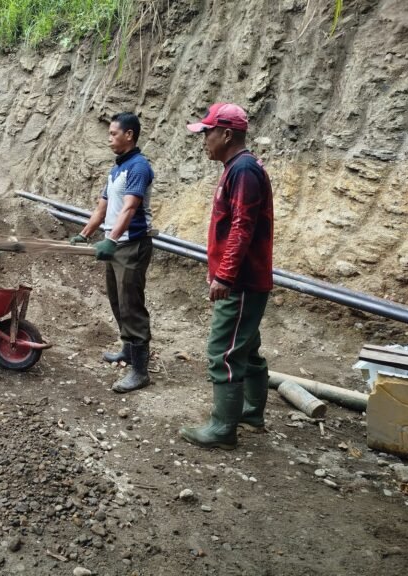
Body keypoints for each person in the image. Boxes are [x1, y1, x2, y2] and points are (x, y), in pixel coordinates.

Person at [179, 103, 274, 450]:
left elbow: (241, 228)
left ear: (227, 134)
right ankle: (250, 411)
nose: (203, 139)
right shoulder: (237, 168)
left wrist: (225, 276)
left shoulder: (244, 170)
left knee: (225, 350)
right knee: (247, 347)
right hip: (246, 281)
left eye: (207, 132)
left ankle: (223, 428)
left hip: (242, 283)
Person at [70, 112, 155, 393]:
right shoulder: (116, 169)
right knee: (118, 301)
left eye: (113, 134)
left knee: (132, 304)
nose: (109, 140)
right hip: (115, 244)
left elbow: (130, 208)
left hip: (131, 245)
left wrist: (113, 238)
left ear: (129, 135)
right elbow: (102, 208)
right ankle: (127, 351)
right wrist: (84, 235)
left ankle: (140, 371)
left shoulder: (139, 167)